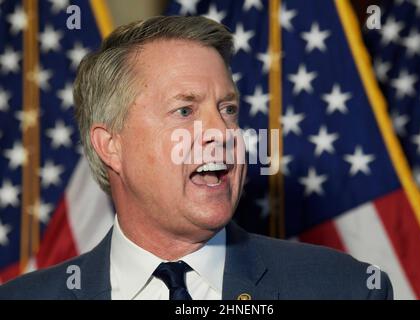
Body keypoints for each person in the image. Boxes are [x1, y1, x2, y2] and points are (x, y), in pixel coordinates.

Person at [0, 16, 392, 300]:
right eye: (185, 111)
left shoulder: (345, 289)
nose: (222, 133)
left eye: (229, 109)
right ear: (110, 146)